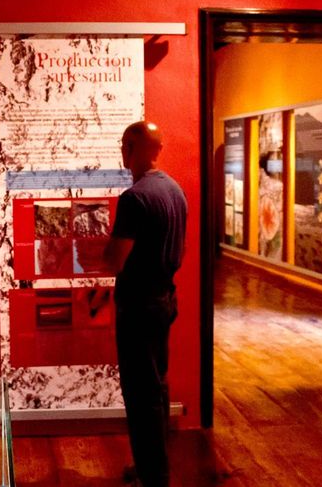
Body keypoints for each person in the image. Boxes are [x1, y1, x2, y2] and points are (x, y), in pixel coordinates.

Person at [105, 121, 188, 487]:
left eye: (126, 145)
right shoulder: (175, 190)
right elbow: (181, 247)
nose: (123, 152)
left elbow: (115, 259)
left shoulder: (134, 198)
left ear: (133, 148)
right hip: (164, 299)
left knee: (140, 395)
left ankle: (153, 476)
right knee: (157, 386)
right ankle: (153, 468)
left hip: (138, 307)